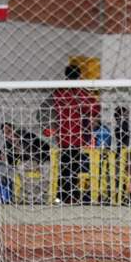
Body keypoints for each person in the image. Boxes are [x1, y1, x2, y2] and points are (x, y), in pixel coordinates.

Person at [51, 65, 99, 203]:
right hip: (76, 135)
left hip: (63, 135)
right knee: (73, 167)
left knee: (65, 166)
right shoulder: (79, 92)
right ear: (78, 76)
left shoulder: (59, 91)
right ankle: (69, 196)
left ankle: (62, 196)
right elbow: (94, 107)